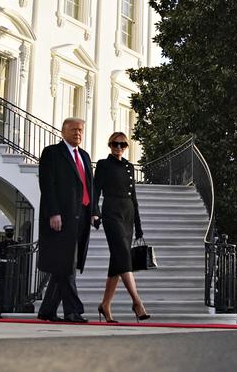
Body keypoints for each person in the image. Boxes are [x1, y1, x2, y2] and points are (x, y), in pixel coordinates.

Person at [36, 117, 98, 322]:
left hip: (82, 216)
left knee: (63, 265)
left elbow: (90, 186)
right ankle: (73, 311)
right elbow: (47, 185)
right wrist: (53, 213)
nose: (78, 133)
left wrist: (94, 211)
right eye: (73, 129)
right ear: (63, 132)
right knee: (66, 264)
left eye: (80, 130)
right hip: (62, 217)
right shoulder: (52, 153)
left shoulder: (86, 156)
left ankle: (47, 310)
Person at [92, 132, 150, 322]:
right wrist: (95, 211)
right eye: (115, 144)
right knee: (123, 255)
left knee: (117, 262)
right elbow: (95, 190)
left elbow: (134, 197)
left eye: (122, 145)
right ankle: (136, 301)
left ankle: (105, 305)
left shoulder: (129, 167)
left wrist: (138, 224)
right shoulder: (103, 164)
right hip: (111, 213)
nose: (118, 147)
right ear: (110, 145)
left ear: (127, 146)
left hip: (128, 214)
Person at [0, 224, 16, 313]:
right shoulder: (0, 244)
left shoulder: (16, 244)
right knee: (2, 291)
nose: (9, 233)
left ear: (13, 233)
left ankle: (10, 310)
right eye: (8, 232)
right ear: (5, 233)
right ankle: (2, 310)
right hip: (2, 269)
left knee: (11, 291)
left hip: (12, 269)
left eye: (11, 232)